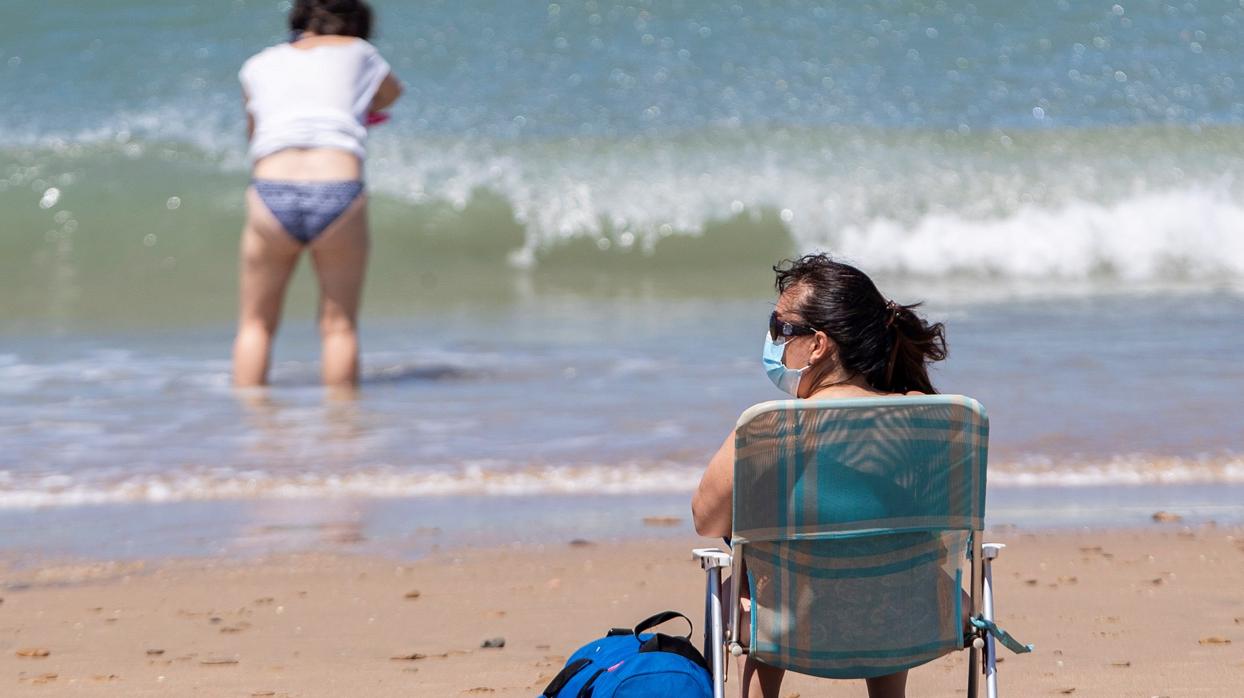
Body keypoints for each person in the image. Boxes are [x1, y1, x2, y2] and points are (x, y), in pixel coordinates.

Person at [691, 253, 948, 698]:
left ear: (818, 344)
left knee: (752, 563)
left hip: (791, 623)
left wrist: (749, 443)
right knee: (886, 549)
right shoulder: (920, 419)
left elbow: (706, 519)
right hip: (907, 618)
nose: (771, 342)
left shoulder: (768, 429)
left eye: (780, 330)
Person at [232, 0, 402, 387]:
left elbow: (254, 132)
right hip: (337, 188)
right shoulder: (361, 53)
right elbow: (392, 94)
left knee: (255, 325)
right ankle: (342, 434)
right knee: (338, 326)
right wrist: (364, 104)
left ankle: (250, 434)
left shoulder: (257, 65)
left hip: (271, 190)